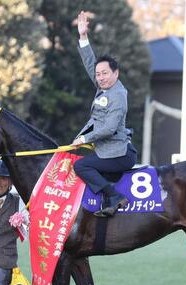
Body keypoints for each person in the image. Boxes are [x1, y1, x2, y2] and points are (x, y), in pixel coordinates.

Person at [72, 11, 138, 218]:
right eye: (98, 74)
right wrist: (83, 37)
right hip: (107, 151)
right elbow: (90, 62)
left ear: (115, 74)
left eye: (104, 74)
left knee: (81, 165)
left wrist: (84, 138)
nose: (100, 77)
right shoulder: (104, 87)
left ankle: (114, 196)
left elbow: (109, 128)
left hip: (119, 154)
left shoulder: (118, 94)